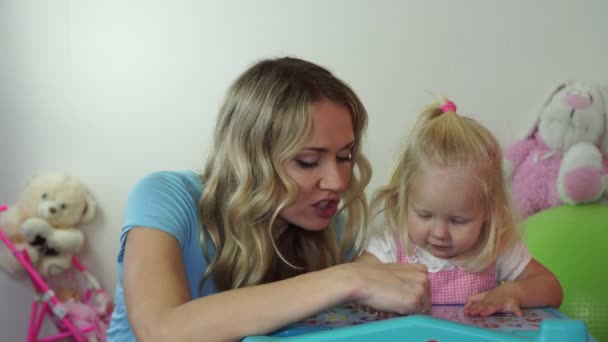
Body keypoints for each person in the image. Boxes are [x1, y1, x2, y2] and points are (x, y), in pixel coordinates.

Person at [107, 57, 430, 342]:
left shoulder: (331, 228)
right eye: (307, 161)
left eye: (345, 156)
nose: (338, 181)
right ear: (251, 159)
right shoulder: (164, 196)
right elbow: (163, 331)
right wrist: (348, 278)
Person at [361, 99, 563, 317]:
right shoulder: (391, 245)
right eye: (424, 215)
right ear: (403, 200)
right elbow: (353, 281)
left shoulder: (496, 247)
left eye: (458, 220)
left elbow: (551, 288)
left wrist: (513, 292)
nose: (439, 233)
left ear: (488, 211)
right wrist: (373, 293)